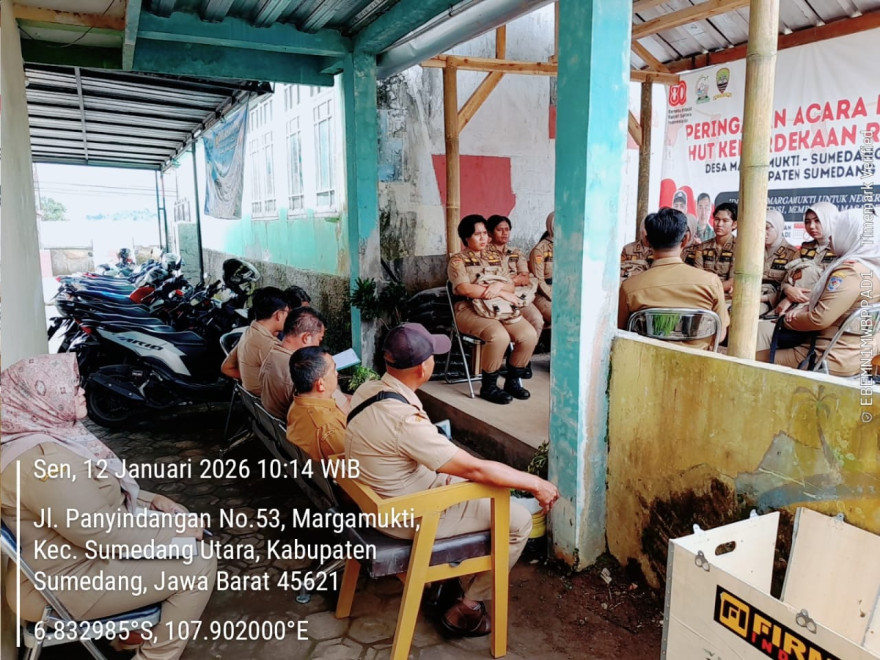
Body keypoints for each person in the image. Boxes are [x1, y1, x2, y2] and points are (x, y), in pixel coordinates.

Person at [345, 324, 559, 637]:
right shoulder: (404, 420)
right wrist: (536, 483)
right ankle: (469, 605)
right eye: (433, 356)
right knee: (518, 520)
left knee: (480, 485)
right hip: (409, 517)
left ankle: (452, 579)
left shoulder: (369, 390)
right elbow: (475, 469)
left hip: (379, 501)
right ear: (423, 368)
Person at [0, 354, 216, 660]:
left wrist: (153, 501)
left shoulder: (48, 438)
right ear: (42, 399)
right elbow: (103, 532)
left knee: (173, 526)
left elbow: (93, 497)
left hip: (73, 563)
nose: (81, 390)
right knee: (199, 562)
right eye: (70, 386)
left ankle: (131, 635)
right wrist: (176, 533)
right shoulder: (44, 461)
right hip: (62, 583)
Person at [756, 209, 880, 376]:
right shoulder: (870, 268)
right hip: (851, 352)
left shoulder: (849, 272)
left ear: (850, 235)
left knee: (747, 358)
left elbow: (819, 319)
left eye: (837, 231)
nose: (831, 237)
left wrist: (786, 321)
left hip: (827, 355)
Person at [449, 215, 538, 404]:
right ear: (466, 237)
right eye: (477, 234)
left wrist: (499, 288)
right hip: (469, 309)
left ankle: (512, 381)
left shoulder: (495, 257)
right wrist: (500, 291)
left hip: (500, 307)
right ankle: (489, 386)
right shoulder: (458, 260)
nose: (483, 238)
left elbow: (511, 286)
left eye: (484, 233)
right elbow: (464, 289)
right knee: (499, 337)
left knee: (529, 335)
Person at [618, 208, 729, 350]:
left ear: (647, 241)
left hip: (646, 360)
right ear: (685, 239)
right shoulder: (711, 283)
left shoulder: (629, 288)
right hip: (697, 361)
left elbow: (621, 332)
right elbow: (720, 334)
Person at [259, 307, 327, 418]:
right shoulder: (299, 370)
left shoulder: (271, 354)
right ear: (306, 338)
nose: (318, 346)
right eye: (320, 339)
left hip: (272, 423)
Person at [220, 286, 289, 394]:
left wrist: (251, 379)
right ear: (279, 315)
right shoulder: (269, 345)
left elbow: (227, 368)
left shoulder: (248, 333)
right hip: (268, 402)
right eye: (287, 313)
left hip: (254, 400)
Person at [774, 202, 839, 316]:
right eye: (807, 222)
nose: (811, 226)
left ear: (830, 220)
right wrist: (788, 290)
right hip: (790, 307)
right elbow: (787, 277)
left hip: (820, 308)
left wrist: (790, 299)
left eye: (817, 220)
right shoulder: (805, 248)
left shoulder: (840, 249)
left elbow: (834, 286)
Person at [486, 214, 544, 336]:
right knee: (502, 329)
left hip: (519, 297)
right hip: (496, 297)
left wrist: (503, 282)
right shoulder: (483, 253)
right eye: (499, 230)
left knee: (537, 320)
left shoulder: (515, 253)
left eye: (507, 229)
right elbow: (487, 280)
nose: (505, 233)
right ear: (490, 233)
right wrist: (513, 280)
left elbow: (525, 278)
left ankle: (528, 349)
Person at [286, 347, 346, 461]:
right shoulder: (329, 430)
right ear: (320, 384)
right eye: (333, 370)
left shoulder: (297, 404)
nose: (337, 373)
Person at [694, 201, 738, 298]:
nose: (719, 224)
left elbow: (733, 281)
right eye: (717, 219)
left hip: (726, 296)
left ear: (734, 224)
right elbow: (698, 276)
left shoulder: (738, 248)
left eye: (725, 221)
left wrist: (712, 290)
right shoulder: (702, 247)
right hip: (703, 295)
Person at [760, 209, 798, 316]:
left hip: (773, 301)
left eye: (767, 228)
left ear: (778, 227)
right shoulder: (754, 251)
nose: (763, 232)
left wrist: (764, 298)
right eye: (760, 227)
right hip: (751, 295)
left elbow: (790, 288)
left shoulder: (792, 253)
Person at [528, 211, 554, 325]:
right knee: (560, 317)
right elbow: (539, 280)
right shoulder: (540, 250)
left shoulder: (570, 247)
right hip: (544, 294)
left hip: (564, 292)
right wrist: (552, 296)